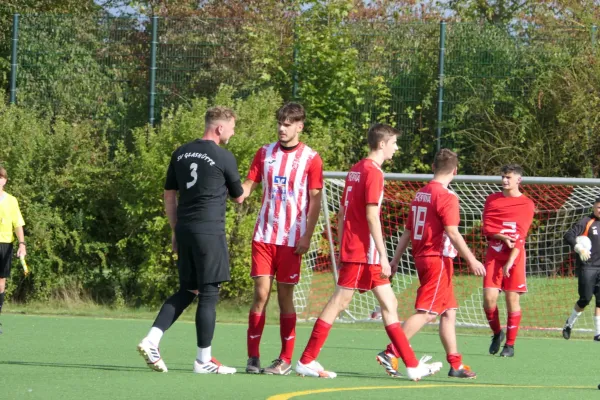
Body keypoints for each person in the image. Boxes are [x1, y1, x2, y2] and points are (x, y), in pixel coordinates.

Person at [294, 124, 443, 380]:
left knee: (389, 303)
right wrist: (384, 257)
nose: (396, 148)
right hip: (365, 252)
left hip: (356, 249)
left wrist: (343, 245)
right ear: (382, 144)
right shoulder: (374, 173)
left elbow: (342, 214)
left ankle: (410, 364)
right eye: (394, 143)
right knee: (340, 302)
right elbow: (372, 216)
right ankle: (306, 359)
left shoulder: (355, 170)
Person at [137, 106, 245, 374]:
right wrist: (254, 178)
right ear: (220, 128)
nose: (233, 132)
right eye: (232, 127)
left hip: (185, 228)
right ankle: (203, 360)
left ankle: (152, 339)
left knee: (188, 289)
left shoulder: (180, 152)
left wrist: (175, 229)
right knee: (209, 292)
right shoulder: (224, 156)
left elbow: (169, 196)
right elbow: (239, 197)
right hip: (209, 231)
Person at [376, 148, 486, 379]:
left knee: (449, 312)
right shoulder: (447, 196)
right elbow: (453, 233)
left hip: (425, 257)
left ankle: (455, 364)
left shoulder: (421, 193)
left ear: (433, 167)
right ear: (455, 170)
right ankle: (391, 351)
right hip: (437, 259)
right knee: (427, 312)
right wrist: (472, 259)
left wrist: (395, 259)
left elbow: (407, 231)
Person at [243, 102, 323, 376]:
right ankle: (252, 357)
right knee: (261, 294)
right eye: (280, 122)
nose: (282, 128)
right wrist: (232, 190)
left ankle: (284, 359)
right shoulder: (264, 153)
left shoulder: (311, 158)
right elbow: (247, 186)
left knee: (285, 296)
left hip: (292, 239)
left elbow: (315, 200)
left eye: (288, 124)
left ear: (300, 126)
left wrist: (307, 236)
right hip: (264, 236)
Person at [481, 164, 535, 358]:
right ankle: (497, 333)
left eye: (508, 178)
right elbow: (486, 228)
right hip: (494, 255)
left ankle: (510, 345)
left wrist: (511, 261)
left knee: (512, 299)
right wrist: (502, 237)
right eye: (503, 177)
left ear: (518, 180)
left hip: (515, 257)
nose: (504, 181)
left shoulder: (527, 204)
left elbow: (521, 236)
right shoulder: (492, 200)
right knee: (489, 299)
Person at [562, 197, 600, 341]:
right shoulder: (586, 221)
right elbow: (568, 235)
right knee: (585, 299)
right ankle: (569, 324)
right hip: (588, 267)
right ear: (593, 207)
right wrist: (578, 247)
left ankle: (598, 333)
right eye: (598, 207)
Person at [0, 167, 26, 334]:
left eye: (1, 178)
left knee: (1, 283)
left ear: (5, 180)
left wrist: (22, 244)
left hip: (6, 244)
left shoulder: (12, 200)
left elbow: (17, 223)